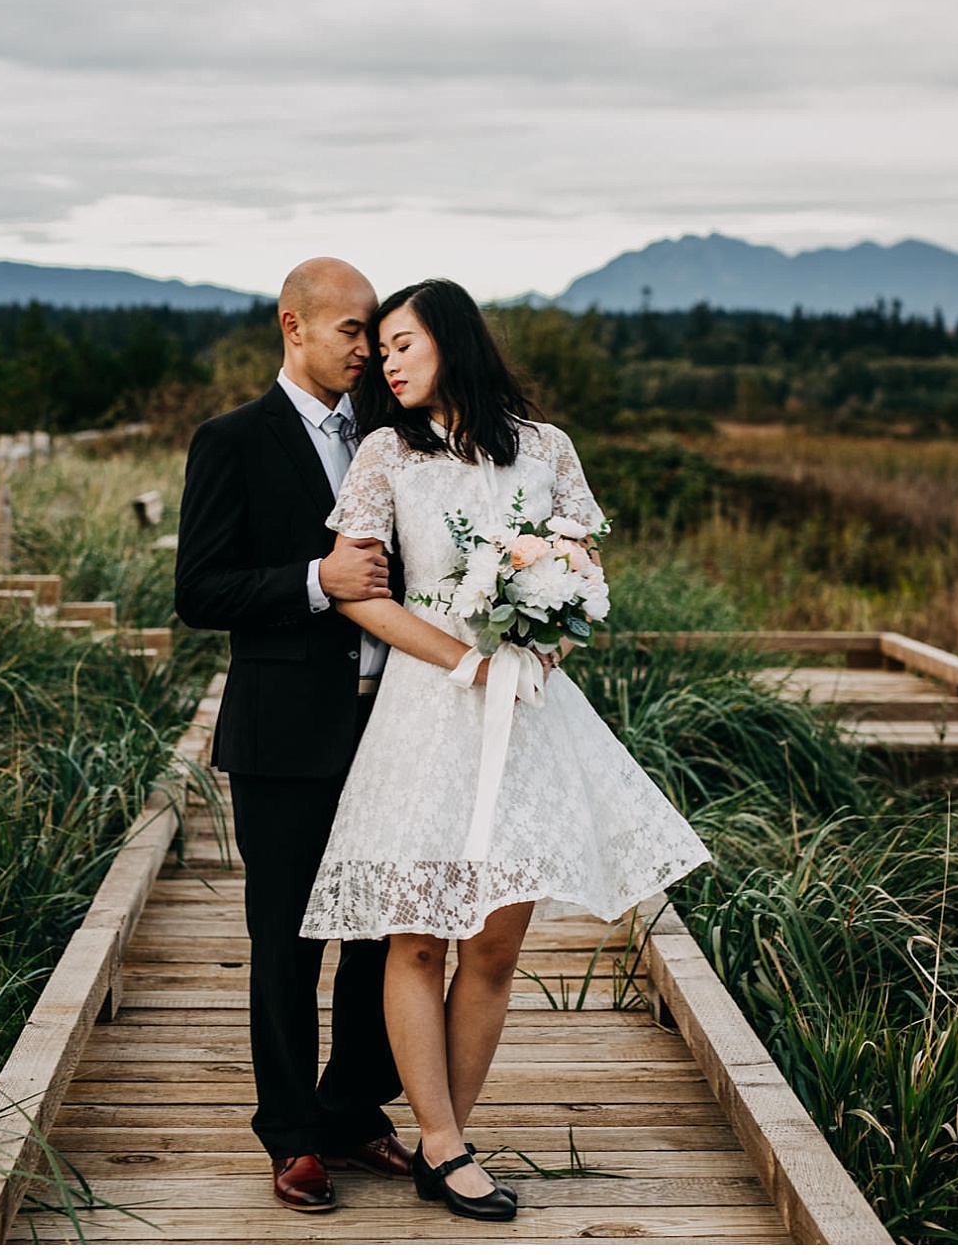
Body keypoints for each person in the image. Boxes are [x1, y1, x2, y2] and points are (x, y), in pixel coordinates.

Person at [299, 278, 712, 1222]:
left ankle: (451, 1135)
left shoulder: (547, 449)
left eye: (403, 344)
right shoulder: (385, 454)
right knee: (417, 931)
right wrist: (462, 659)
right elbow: (363, 591)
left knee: (493, 938)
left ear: (452, 341)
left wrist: (546, 634)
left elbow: (582, 571)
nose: (387, 362)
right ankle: (441, 1145)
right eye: (382, 347)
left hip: (529, 711)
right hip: (427, 708)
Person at [173, 257, 415, 1213]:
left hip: (391, 726)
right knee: (285, 941)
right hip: (282, 735)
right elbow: (200, 590)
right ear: (294, 326)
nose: (366, 348)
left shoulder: (396, 439)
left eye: (374, 332)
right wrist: (319, 581)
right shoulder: (231, 441)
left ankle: (356, 1110)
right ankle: (293, 1135)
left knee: (376, 932)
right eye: (351, 330)